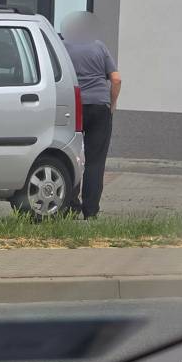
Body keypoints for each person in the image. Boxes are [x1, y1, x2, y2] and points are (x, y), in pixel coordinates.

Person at [62, 12, 122, 219]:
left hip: (73, 107)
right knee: (95, 161)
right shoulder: (99, 47)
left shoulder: (63, 47)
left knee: (70, 156)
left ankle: (70, 205)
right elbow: (116, 79)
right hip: (99, 107)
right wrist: (111, 104)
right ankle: (90, 210)